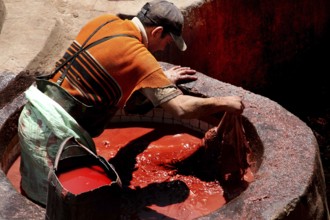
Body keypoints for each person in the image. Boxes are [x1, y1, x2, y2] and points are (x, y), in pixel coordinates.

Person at [18, 0, 244, 206]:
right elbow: (180, 108)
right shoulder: (140, 57)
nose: (165, 48)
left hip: (33, 115)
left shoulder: (104, 21)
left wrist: (159, 81)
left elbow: (114, 73)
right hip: (53, 136)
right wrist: (223, 102)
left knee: (40, 198)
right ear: (156, 32)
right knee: (69, 209)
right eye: (167, 41)